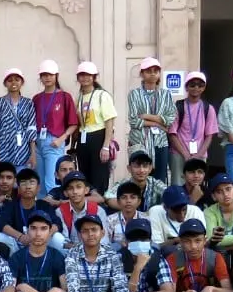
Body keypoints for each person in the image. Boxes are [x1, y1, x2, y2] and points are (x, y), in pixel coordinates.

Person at [32, 60, 79, 196]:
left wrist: (61, 139)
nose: (47, 78)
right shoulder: (36, 98)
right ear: (40, 77)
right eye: (44, 75)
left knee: (51, 180)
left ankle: (54, 207)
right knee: (39, 181)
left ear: (56, 76)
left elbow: (73, 123)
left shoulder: (64, 96)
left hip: (54, 141)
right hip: (38, 142)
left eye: (50, 75)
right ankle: (42, 208)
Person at [71, 62, 117, 194]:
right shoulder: (79, 97)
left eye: (88, 75)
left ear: (94, 77)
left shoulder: (102, 95)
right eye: (82, 75)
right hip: (83, 138)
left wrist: (106, 146)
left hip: (99, 137)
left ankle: (99, 203)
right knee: (85, 177)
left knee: (99, 176)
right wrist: (73, 146)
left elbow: (109, 121)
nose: (85, 78)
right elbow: (77, 123)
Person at [126, 58, 176, 177]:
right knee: (140, 177)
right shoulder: (134, 94)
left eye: (155, 71)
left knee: (160, 177)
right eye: (148, 71)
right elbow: (133, 120)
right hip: (140, 141)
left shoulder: (165, 94)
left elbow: (170, 118)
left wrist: (146, 116)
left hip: (160, 141)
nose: (152, 74)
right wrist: (157, 124)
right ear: (142, 74)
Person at [168, 72, 217, 186]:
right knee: (178, 184)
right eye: (192, 85)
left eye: (200, 85)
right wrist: (185, 154)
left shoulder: (208, 108)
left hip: (200, 153)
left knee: (197, 186)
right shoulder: (177, 107)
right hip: (178, 153)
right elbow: (172, 134)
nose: (196, 88)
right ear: (186, 87)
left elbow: (209, 135)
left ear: (204, 88)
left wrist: (199, 155)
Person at [0, 169, 61, 254]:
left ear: (38, 188)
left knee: (57, 238)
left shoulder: (44, 205)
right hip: (19, 243)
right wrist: (20, 236)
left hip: (41, 241)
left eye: (32, 182)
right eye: (23, 183)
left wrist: (46, 235)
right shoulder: (11, 205)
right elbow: (0, 223)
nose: (28, 187)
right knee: (1, 237)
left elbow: (57, 223)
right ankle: (13, 261)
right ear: (18, 189)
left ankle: (52, 259)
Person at [0, 68, 36, 173]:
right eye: (10, 80)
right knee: (4, 179)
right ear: (5, 83)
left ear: (22, 82)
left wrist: (33, 154)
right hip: (3, 150)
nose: (13, 83)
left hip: (23, 151)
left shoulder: (28, 103)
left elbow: (31, 129)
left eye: (17, 80)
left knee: (22, 180)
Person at [148, 185, 205, 252]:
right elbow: (156, 247)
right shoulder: (156, 211)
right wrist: (175, 241)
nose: (182, 215)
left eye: (184, 209)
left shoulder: (195, 211)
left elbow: (203, 242)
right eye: (176, 211)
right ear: (165, 207)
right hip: (166, 254)